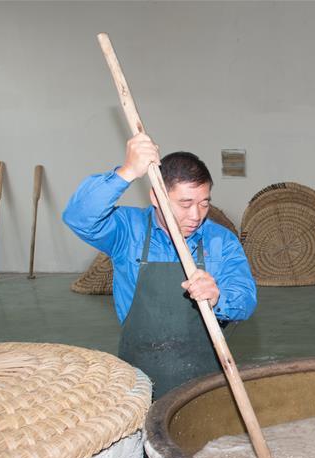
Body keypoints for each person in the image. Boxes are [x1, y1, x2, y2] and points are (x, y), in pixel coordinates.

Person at [64, 133, 257, 400]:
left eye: (204, 203)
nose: (196, 215)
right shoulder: (128, 231)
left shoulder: (220, 240)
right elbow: (78, 217)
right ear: (156, 196)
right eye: (185, 204)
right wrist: (127, 172)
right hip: (140, 376)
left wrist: (219, 297)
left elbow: (246, 297)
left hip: (204, 377)